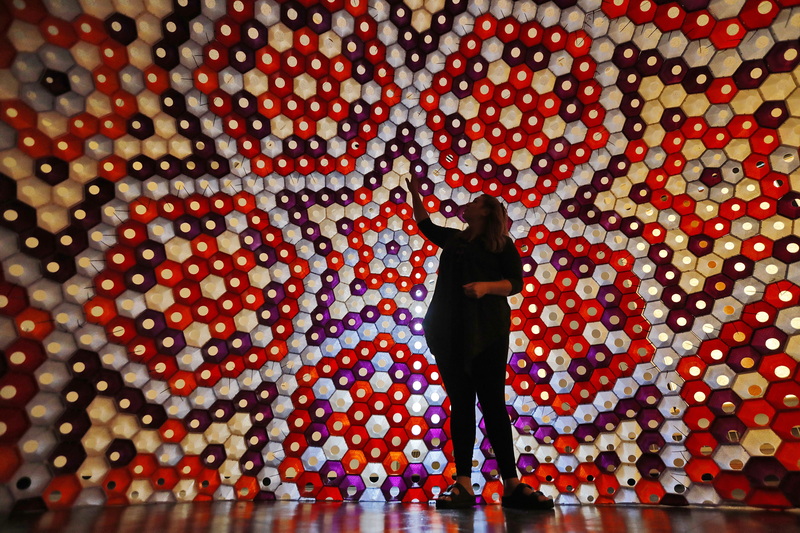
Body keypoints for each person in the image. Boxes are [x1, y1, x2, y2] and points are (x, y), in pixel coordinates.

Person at [405, 174, 554, 511]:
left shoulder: (501, 244)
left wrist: (487, 287)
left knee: (492, 403)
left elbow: (515, 283)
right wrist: (415, 193)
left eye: (475, 202)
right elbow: (425, 225)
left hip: (487, 330)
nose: (467, 204)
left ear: (486, 213)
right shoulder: (456, 241)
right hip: (450, 331)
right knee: (461, 403)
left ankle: (511, 483)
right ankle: (463, 483)